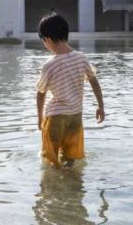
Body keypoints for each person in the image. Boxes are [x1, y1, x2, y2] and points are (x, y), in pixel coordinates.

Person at [35, 14, 105, 168]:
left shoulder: (49, 65)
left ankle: (53, 187)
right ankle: (71, 185)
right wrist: (100, 106)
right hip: (75, 117)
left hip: (55, 118)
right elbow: (93, 80)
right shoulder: (81, 58)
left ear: (47, 39)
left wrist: (40, 118)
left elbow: (41, 93)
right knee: (71, 158)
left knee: (50, 159)